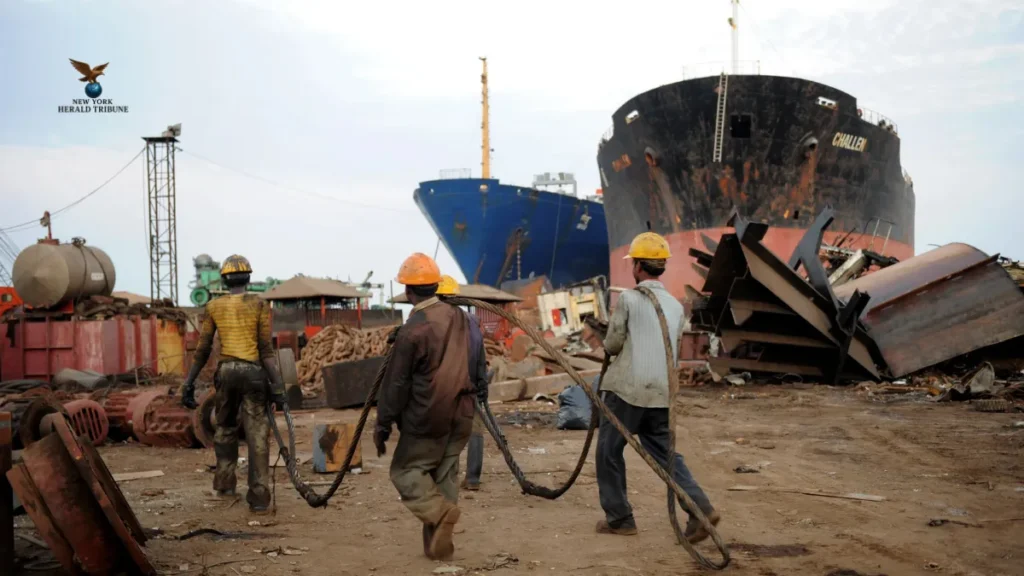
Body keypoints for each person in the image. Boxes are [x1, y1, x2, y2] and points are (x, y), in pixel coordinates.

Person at [594, 232, 720, 543]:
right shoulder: (675, 307)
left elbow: (613, 344)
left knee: (608, 451)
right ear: (661, 266)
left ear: (638, 266)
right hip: (661, 393)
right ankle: (700, 508)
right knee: (667, 455)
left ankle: (620, 519)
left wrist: (608, 346)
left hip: (627, 391)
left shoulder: (629, 299)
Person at [374, 256, 477, 561]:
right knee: (443, 474)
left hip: (429, 415)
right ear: (436, 285)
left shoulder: (413, 330)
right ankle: (438, 546)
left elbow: (396, 383)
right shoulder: (460, 317)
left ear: (408, 291)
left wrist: (383, 423)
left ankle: (440, 514)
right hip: (463, 412)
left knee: (406, 470)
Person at [180, 255, 287, 513]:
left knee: (225, 428)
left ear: (224, 280)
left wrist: (189, 383)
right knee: (257, 433)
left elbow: (203, 349)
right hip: (253, 373)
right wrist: (279, 388)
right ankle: (259, 497)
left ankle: (225, 484)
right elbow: (266, 351)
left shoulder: (214, 307)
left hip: (227, 373)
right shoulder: (259, 305)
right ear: (248, 279)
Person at [435, 275, 488, 491]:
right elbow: (480, 355)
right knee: (475, 430)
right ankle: (473, 479)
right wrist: (482, 385)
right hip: (471, 385)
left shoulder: (435, 322)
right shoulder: (472, 321)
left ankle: (450, 477)